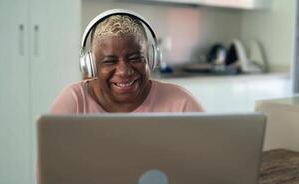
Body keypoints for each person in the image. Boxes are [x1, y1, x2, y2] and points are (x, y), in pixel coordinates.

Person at [51, 12, 204, 114]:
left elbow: (213, 156)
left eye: (135, 58)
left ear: (151, 58)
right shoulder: (75, 101)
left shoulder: (180, 102)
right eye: (110, 61)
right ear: (91, 65)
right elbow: (50, 161)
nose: (124, 71)